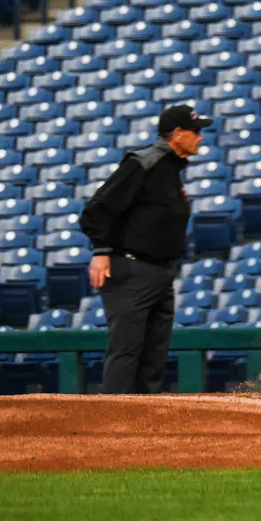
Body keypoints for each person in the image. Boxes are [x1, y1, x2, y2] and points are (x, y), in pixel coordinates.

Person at [79, 104, 212, 394]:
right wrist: (101, 251)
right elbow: (97, 209)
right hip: (132, 269)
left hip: (160, 272)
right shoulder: (144, 162)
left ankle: (143, 426)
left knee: (154, 353)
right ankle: (113, 422)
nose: (201, 137)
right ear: (177, 134)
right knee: (127, 351)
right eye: (196, 131)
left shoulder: (171, 169)